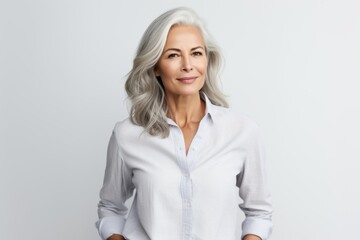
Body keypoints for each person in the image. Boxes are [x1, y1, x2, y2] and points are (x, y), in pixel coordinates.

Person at [96, 7, 273, 240]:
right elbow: (110, 207)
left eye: (197, 53)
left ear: (207, 60)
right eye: (173, 55)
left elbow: (259, 212)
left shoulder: (241, 131)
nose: (188, 65)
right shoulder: (127, 134)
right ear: (155, 67)